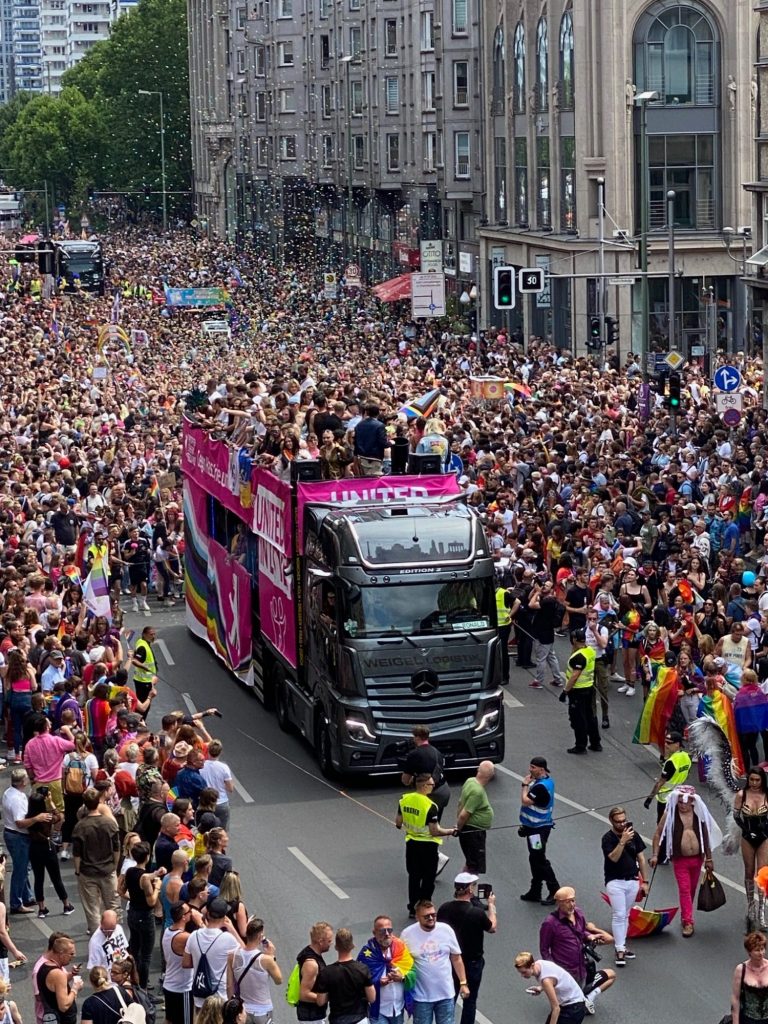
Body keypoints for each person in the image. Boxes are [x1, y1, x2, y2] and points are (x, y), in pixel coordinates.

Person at [650, 784, 721, 937]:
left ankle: (685, 916)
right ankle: (688, 922)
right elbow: (657, 834)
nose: (683, 805)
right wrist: (655, 855)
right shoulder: (670, 814)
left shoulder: (698, 814)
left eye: (686, 802)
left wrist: (709, 858)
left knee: (691, 890)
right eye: (680, 802)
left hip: (697, 859)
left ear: (692, 801)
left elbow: (706, 836)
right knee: (684, 889)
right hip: (680, 860)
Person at [539, 887, 615, 1013]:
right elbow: (544, 950)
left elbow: (581, 933)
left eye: (573, 900)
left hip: (581, 967)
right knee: (568, 1007)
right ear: (559, 903)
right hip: (565, 971)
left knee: (580, 994)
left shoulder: (578, 914)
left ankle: (585, 999)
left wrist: (590, 936)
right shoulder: (550, 923)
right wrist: (553, 972)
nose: (572, 904)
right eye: (567, 902)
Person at [436, 873, 496, 1024]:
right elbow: (492, 928)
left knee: (450, 997)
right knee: (470, 1000)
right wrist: (491, 907)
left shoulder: (444, 908)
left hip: (449, 961)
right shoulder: (477, 913)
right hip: (472, 962)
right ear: (470, 889)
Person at [395, 774, 458, 918]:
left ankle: (412, 907)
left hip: (411, 844)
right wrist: (451, 831)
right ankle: (424, 904)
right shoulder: (430, 806)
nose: (433, 786)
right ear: (423, 786)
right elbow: (434, 831)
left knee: (414, 877)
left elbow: (398, 823)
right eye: (431, 785)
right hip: (428, 846)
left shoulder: (404, 800)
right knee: (428, 878)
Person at [401, 900, 469, 1024]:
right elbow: (401, 962)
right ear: (417, 917)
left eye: (434, 914)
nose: (431, 918)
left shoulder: (446, 930)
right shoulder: (407, 934)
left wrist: (463, 983)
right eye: (426, 916)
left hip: (446, 994)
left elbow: (456, 958)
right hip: (421, 997)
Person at [601, 807, 650, 968]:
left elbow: (641, 858)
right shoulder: (607, 838)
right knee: (619, 914)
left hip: (632, 880)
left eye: (624, 820)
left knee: (626, 914)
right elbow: (613, 858)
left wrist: (645, 882)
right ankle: (619, 949)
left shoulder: (633, 835)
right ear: (612, 821)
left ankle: (622, 944)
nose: (622, 824)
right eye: (618, 821)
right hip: (615, 881)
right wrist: (622, 841)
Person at [71, 787, 121, 935]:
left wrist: (78, 870)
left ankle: (97, 937)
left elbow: (77, 854)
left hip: (87, 871)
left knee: (92, 908)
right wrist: (114, 866)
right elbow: (116, 849)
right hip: (108, 870)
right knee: (112, 905)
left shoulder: (80, 827)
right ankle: (115, 934)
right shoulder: (110, 824)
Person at [182, 897, 243, 1011]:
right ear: (224, 916)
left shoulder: (193, 936)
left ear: (208, 914)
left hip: (200, 995)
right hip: (219, 997)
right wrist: (231, 927)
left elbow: (186, 963)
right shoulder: (227, 939)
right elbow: (246, 953)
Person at [1, 767, 48, 914]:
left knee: (24, 867)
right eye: (26, 778)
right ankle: (16, 903)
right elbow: (20, 822)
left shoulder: (10, 792)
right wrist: (37, 818)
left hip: (14, 834)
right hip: (17, 835)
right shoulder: (16, 799)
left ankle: (26, 896)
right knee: (21, 870)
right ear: (22, 782)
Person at [519, 756, 560, 906]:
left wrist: (524, 785)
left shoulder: (540, 787)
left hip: (537, 830)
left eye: (533, 767)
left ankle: (554, 889)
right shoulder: (547, 781)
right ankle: (535, 890)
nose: (530, 770)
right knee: (534, 858)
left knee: (539, 858)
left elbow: (525, 800)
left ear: (541, 769)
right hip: (534, 828)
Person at [356, 916, 413, 1024]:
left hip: (397, 1009)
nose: (387, 934)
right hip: (378, 1011)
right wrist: (377, 983)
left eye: (389, 930)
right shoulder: (367, 954)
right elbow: (358, 981)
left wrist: (402, 978)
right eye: (382, 931)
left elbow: (413, 971)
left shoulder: (400, 949)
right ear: (374, 932)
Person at [124, 841, 165, 988]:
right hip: (145, 916)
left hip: (132, 913)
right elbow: (151, 902)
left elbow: (121, 890)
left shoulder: (129, 871)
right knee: (146, 955)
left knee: (134, 948)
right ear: (147, 857)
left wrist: (134, 898)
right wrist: (158, 888)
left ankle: (133, 980)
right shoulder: (145, 878)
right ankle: (143, 988)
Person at [226, 916, 282, 1024]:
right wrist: (271, 956)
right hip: (263, 1011)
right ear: (260, 936)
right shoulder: (266, 960)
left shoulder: (232, 957)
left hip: (243, 1010)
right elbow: (279, 980)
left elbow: (230, 985)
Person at [314, 928, 375, 1024]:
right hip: (360, 1019)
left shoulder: (327, 972)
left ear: (336, 947)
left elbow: (320, 1001)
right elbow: (372, 998)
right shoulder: (363, 969)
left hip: (337, 1020)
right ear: (352, 946)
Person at [735, 766, 768, 931]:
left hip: (764, 838)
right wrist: (747, 831)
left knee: (763, 874)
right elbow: (736, 816)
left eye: (757, 780)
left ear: (762, 780)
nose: (754, 783)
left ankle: (762, 912)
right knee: (749, 871)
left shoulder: (766, 795)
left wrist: (764, 829)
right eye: (751, 780)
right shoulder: (742, 795)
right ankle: (751, 908)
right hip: (747, 837)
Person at [558, 630, 602, 755]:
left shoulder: (579, 657)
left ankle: (580, 745)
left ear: (574, 640)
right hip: (589, 688)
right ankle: (595, 743)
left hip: (577, 691)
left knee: (578, 719)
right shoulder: (589, 651)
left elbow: (574, 676)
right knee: (590, 716)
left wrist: (565, 691)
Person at [514, 951, 588, 1024]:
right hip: (571, 1004)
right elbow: (554, 979)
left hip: (573, 1009)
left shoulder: (546, 980)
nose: (522, 975)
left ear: (532, 965)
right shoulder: (540, 963)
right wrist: (540, 988)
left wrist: (544, 986)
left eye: (524, 972)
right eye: (520, 972)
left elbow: (556, 1008)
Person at [22, 716, 75, 813]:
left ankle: (46, 828)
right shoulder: (56, 740)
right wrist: (68, 731)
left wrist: (32, 778)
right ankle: (57, 828)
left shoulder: (30, 744)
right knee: (59, 810)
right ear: (47, 727)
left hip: (39, 782)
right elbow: (73, 744)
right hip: (56, 781)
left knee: (42, 810)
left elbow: (27, 765)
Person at [643, 730, 692, 822]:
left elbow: (660, 783)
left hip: (664, 798)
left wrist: (649, 798)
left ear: (677, 744)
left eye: (669, 743)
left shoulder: (671, 762)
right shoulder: (687, 757)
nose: (666, 745)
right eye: (665, 742)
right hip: (678, 795)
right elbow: (686, 774)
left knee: (661, 824)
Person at [455, 761, 494, 875]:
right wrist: (458, 828)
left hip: (469, 831)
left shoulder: (470, 781)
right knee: (474, 866)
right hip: (474, 833)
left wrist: (458, 825)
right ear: (490, 775)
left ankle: (463, 888)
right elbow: (464, 814)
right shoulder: (478, 792)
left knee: (470, 862)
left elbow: (460, 804)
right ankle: (467, 890)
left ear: (478, 770)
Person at [528, 577, 566, 690]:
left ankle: (538, 681)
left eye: (547, 586)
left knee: (541, 658)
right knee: (551, 656)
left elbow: (531, 604)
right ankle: (558, 679)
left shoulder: (547, 601)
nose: (544, 586)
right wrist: (536, 591)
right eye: (544, 585)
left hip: (542, 634)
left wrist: (538, 592)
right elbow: (531, 598)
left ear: (552, 589)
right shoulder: (551, 600)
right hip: (547, 633)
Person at [37, 933, 84, 1024]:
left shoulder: (44, 967)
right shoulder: (58, 974)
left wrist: (71, 974)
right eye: (71, 954)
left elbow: (54, 985)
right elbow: (64, 1006)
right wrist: (75, 989)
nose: (73, 957)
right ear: (61, 953)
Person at [294, 921, 334, 1023]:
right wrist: (329, 997)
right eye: (329, 941)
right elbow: (304, 994)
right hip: (311, 1017)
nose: (331, 943)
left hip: (314, 1015)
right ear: (321, 941)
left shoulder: (311, 953)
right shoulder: (311, 964)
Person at [162, 901, 194, 1024]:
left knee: (170, 1020)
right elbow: (203, 939)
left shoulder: (168, 931)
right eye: (189, 911)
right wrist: (200, 922)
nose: (192, 913)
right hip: (182, 989)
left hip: (170, 985)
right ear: (183, 917)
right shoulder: (184, 937)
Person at [732, 932, 768, 1024]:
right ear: (749, 952)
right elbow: (736, 998)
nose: (761, 953)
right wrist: (735, 1022)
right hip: (748, 1019)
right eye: (756, 950)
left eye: (762, 949)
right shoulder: (741, 970)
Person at [200, 738, 234, 831]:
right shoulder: (224, 768)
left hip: (205, 802)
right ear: (220, 752)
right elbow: (230, 788)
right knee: (221, 832)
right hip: (221, 802)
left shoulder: (201, 765)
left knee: (205, 830)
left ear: (208, 750)